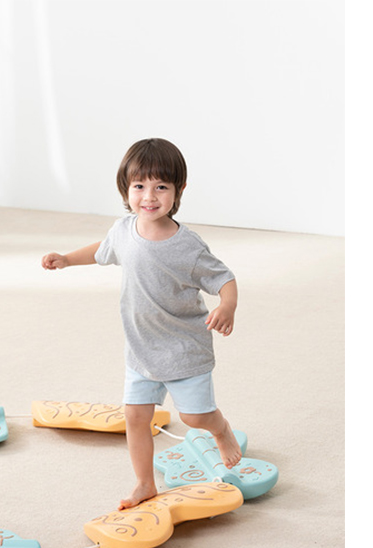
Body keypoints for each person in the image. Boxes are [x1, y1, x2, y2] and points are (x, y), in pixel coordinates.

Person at [41, 138, 242, 510]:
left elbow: (224, 278)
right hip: (141, 348)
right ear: (126, 189)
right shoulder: (123, 230)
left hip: (183, 348)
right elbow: (102, 250)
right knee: (135, 417)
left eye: (161, 187)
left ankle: (221, 429)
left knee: (194, 416)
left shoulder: (188, 247)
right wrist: (67, 259)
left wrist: (227, 306)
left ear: (179, 190)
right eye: (139, 186)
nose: (149, 196)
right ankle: (145, 483)